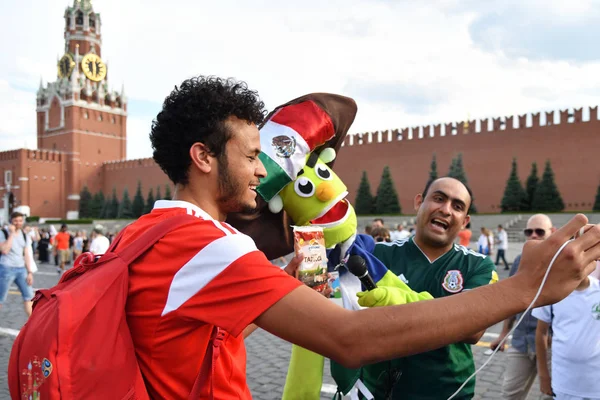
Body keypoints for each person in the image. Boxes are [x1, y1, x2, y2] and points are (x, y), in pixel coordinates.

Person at [116, 76, 599, 399]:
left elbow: (201, 338)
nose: (258, 175)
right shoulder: (209, 246)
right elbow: (348, 339)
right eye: (249, 157)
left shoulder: (150, 232)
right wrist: (525, 285)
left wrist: (283, 288)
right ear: (203, 157)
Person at [361, 177, 497, 399]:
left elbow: (473, 328)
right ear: (418, 202)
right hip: (380, 390)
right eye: (439, 198)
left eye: (457, 206)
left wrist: (398, 301)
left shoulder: (478, 265)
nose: (445, 210)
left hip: (450, 392)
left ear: (465, 221)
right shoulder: (378, 255)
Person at [490, 214, 555, 400]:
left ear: (552, 233)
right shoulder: (519, 260)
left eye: (539, 231)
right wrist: (503, 334)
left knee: (551, 395)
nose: (533, 235)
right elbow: (511, 301)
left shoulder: (562, 263)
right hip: (521, 341)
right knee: (510, 393)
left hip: (551, 343)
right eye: (529, 231)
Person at [533, 274, 600, 400]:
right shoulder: (552, 292)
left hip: (595, 385)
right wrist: (543, 374)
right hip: (564, 382)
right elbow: (541, 332)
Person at [0, 212, 34, 317]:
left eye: (20, 220)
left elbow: (26, 254)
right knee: (0, 298)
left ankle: (33, 325)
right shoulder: (3, 233)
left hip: (21, 269)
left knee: (29, 297)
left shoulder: (24, 235)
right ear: (11, 221)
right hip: (6, 268)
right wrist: (11, 234)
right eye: (15, 221)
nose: (18, 223)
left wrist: (30, 272)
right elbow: (4, 250)